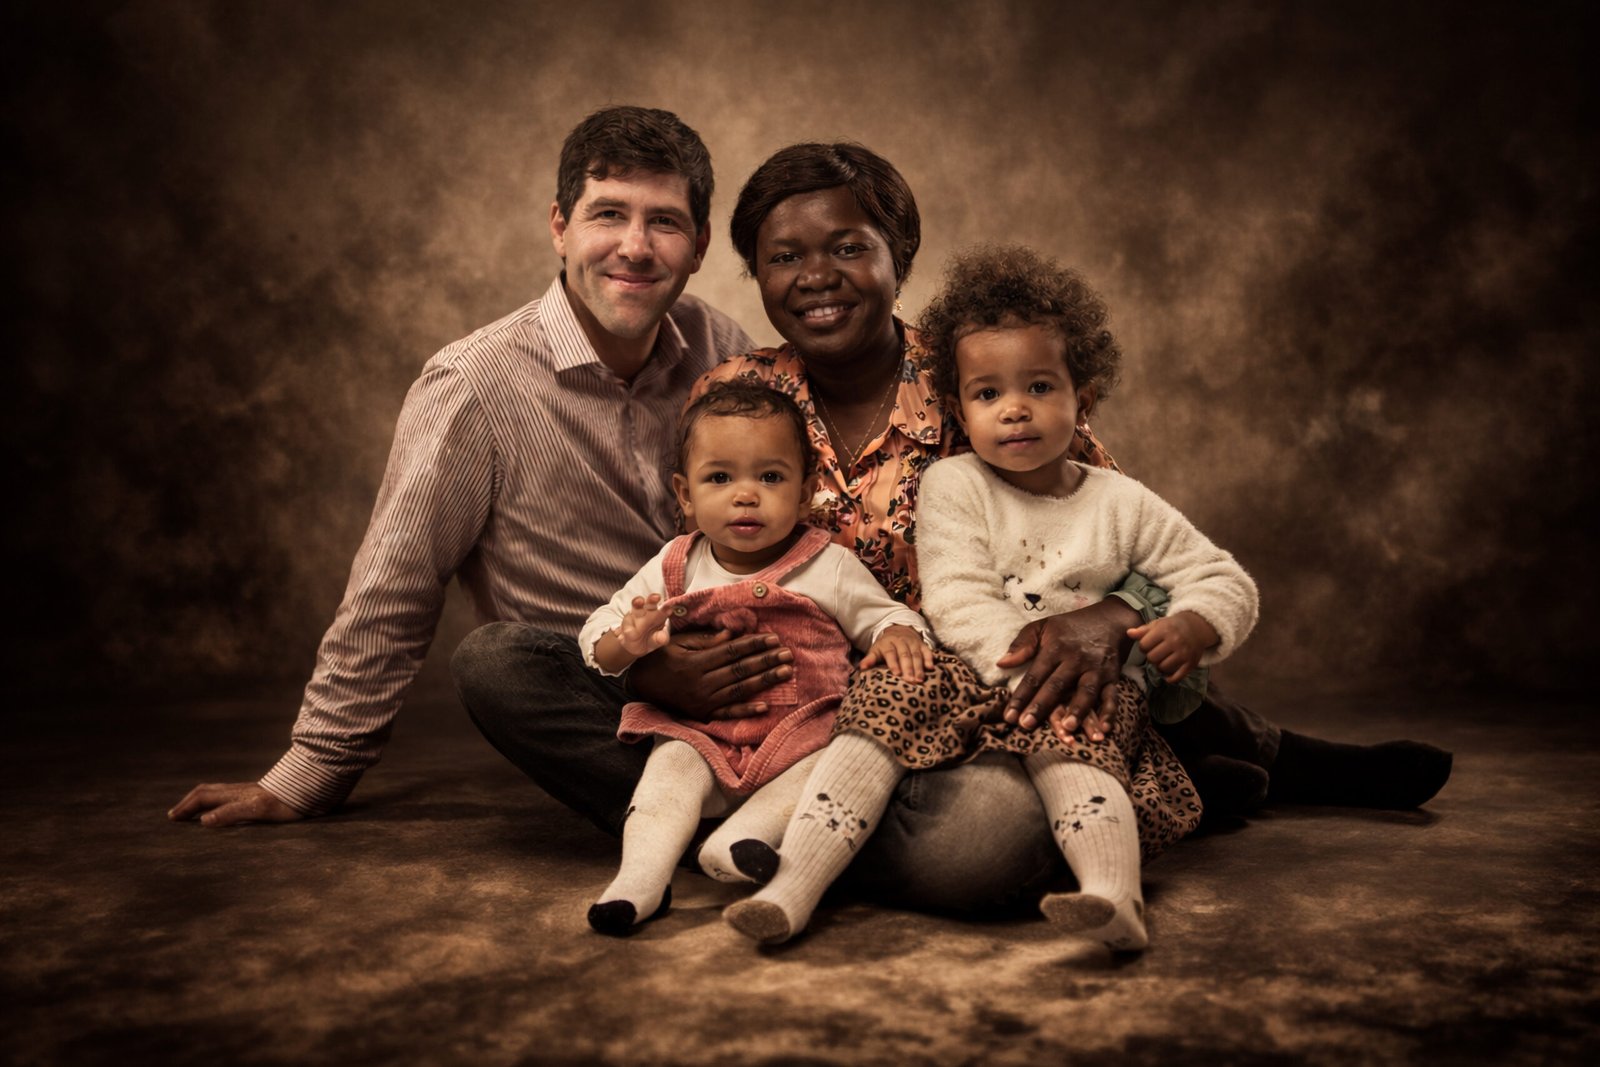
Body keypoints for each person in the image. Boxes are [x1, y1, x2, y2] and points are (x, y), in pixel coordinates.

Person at [167, 106, 776, 828]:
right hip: (603, 689)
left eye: (665, 223)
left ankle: (781, 789)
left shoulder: (721, 345)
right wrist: (314, 768)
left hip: (738, 664)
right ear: (560, 225)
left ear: (701, 243)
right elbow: (398, 581)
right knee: (494, 664)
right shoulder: (472, 385)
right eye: (607, 213)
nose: (635, 247)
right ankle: (715, 815)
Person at [722, 244, 1258, 947]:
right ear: (958, 407)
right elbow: (959, 599)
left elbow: (1224, 577)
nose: (1015, 411)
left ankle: (1113, 898)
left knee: (1073, 746)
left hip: (1076, 685)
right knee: (878, 707)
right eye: (988, 394)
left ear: (1083, 400)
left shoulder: (1120, 503)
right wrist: (1022, 674)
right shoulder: (954, 484)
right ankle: (792, 887)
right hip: (972, 665)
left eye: (1039, 388)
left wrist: (1195, 622)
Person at [581, 381, 932, 934]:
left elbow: (885, 615)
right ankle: (638, 882)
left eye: (770, 477)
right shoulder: (675, 563)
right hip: (702, 732)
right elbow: (600, 630)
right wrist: (629, 641)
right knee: (665, 776)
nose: (745, 495)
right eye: (719, 478)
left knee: (826, 772)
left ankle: (738, 844)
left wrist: (897, 633)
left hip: (803, 735)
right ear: (685, 493)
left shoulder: (828, 566)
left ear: (805, 491)